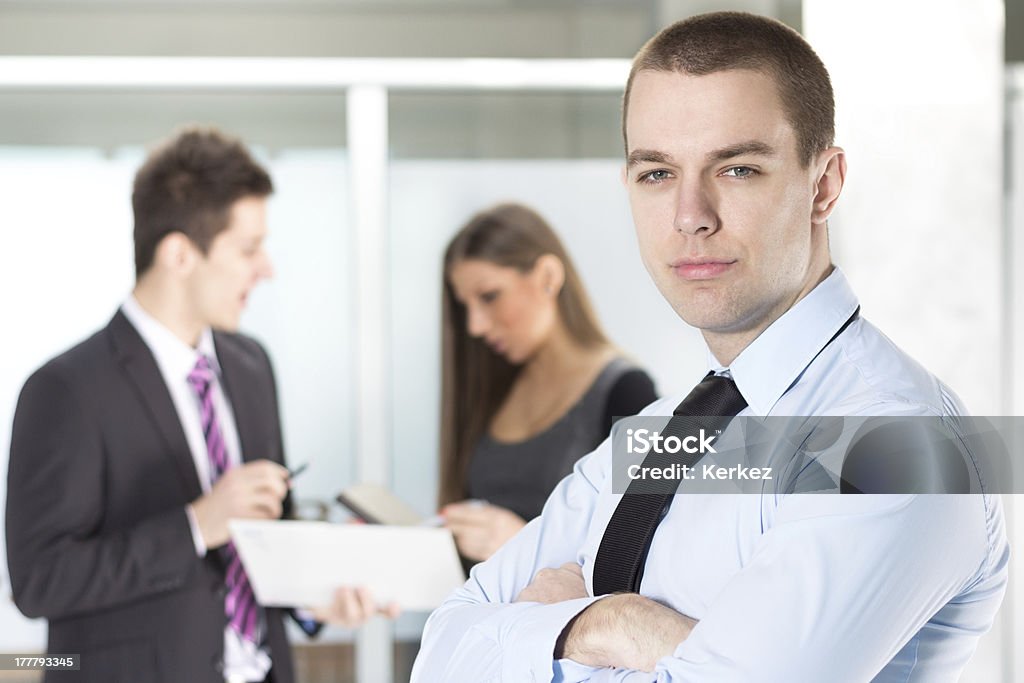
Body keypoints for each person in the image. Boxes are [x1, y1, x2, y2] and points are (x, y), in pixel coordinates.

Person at [411, 12, 1009, 682]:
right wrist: (608, 626)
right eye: (658, 174)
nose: (691, 214)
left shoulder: (904, 441)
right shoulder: (664, 431)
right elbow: (442, 654)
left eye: (739, 168)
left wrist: (559, 633)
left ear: (825, 184)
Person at [4, 128, 383, 683]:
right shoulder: (65, 389)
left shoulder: (252, 365)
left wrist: (313, 596)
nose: (267, 268)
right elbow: (40, 580)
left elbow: (262, 540)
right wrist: (195, 525)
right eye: (248, 249)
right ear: (180, 254)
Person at [438, 203, 657, 566]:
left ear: (548, 277)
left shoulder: (626, 393)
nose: (474, 326)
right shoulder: (491, 391)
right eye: (466, 307)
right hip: (479, 619)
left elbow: (645, 550)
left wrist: (524, 546)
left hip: (564, 623)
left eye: (490, 296)